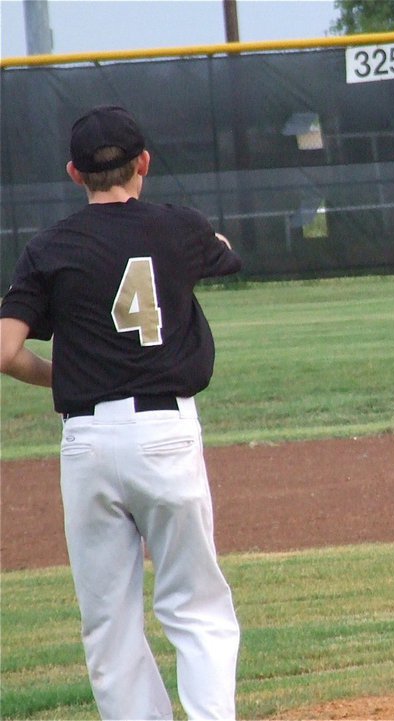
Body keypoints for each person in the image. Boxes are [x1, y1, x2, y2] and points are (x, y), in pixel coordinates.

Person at [0, 105, 242, 718]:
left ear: (74, 172)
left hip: (86, 440)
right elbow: (223, 252)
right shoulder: (177, 227)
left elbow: (5, 350)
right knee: (195, 605)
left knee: (108, 622)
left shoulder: (49, 246)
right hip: (165, 431)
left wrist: (67, 376)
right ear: (144, 163)